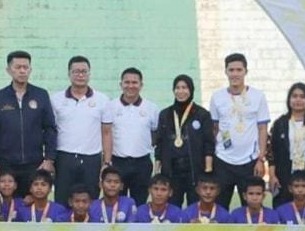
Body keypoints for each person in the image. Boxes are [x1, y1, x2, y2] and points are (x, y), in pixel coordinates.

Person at [0, 51, 57, 197]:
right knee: (8, 205)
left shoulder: (41, 95)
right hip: (6, 164)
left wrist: (49, 159)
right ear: (8, 70)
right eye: (18, 67)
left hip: (34, 164)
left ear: (30, 70)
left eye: (25, 67)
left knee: (32, 203)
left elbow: (50, 128)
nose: (22, 71)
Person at [209, 53, 270, 209]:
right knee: (219, 208)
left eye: (239, 70)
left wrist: (261, 159)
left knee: (251, 207)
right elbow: (214, 128)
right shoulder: (217, 97)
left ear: (245, 71)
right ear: (226, 72)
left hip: (249, 162)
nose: (235, 74)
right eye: (231, 70)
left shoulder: (258, 96)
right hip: (223, 161)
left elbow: (262, 128)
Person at [51, 56, 109, 203]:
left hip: (92, 158)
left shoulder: (102, 99)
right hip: (64, 157)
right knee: (62, 199)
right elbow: (51, 131)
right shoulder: (56, 99)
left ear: (89, 74)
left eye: (84, 71)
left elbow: (107, 132)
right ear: (69, 74)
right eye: (76, 71)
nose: (80, 75)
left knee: (90, 200)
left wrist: (106, 162)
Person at [102, 67, 159, 205]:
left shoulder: (152, 108)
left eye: (134, 82)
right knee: (116, 203)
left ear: (141, 85)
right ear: (121, 84)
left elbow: (155, 134)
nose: (130, 86)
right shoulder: (110, 106)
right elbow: (106, 133)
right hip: (117, 163)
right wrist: (106, 162)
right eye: (127, 82)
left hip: (142, 163)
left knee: (139, 204)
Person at [156, 74, 214, 208]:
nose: (180, 91)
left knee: (195, 208)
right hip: (171, 172)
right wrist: (157, 171)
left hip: (195, 171)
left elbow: (208, 144)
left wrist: (208, 171)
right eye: (177, 88)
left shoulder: (202, 114)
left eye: (184, 87)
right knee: (171, 208)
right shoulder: (165, 114)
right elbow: (159, 144)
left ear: (191, 90)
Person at [268, 82, 305, 207]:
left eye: (302, 96)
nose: (298, 100)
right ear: (289, 99)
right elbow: (271, 151)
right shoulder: (280, 123)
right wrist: (272, 175)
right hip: (284, 171)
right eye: (294, 96)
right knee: (282, 207)